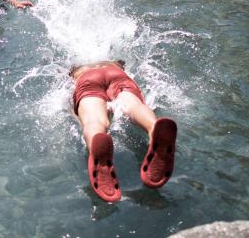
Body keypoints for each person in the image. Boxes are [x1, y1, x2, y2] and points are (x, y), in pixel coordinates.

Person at [71, 60, 177, 202]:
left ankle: (96, 141)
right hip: (117, 75)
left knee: (94, 121)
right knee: (132, 105)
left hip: (87, 79)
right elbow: (123, 63)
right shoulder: (113, 62)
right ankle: (153, 127)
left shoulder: (77, 68)